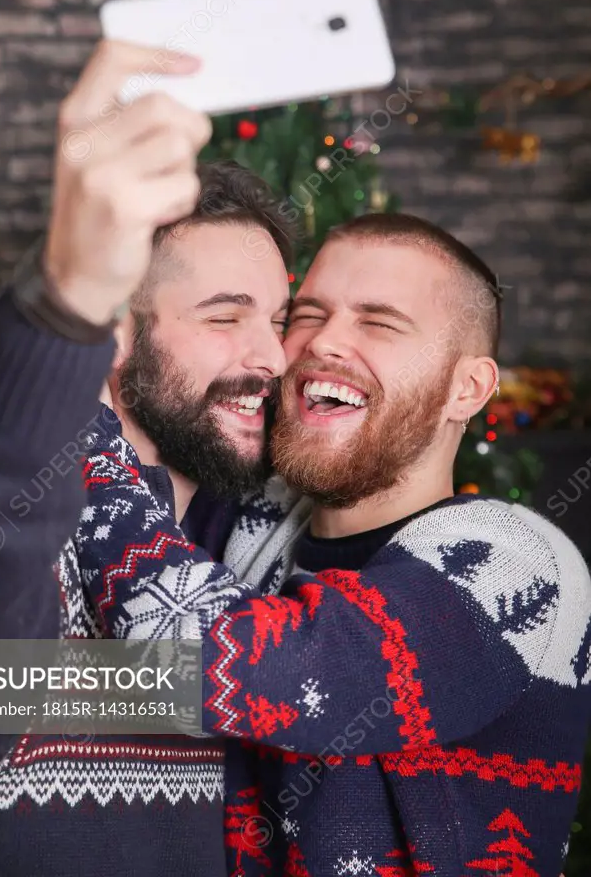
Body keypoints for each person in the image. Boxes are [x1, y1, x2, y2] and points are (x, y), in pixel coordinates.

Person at [75, 213, 591, 877]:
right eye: (307, 315)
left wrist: (78, 427)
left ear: (468, 389)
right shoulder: (246, 524)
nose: (321, 344)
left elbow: (246, 666)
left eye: (378, 323)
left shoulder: (517, 568)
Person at [0, 41, 295, 877]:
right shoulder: (0, 519)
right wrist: (71, 293)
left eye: (281, 317)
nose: (272, 355)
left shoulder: (274, 543)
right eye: (226, 316)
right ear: (119, 337)